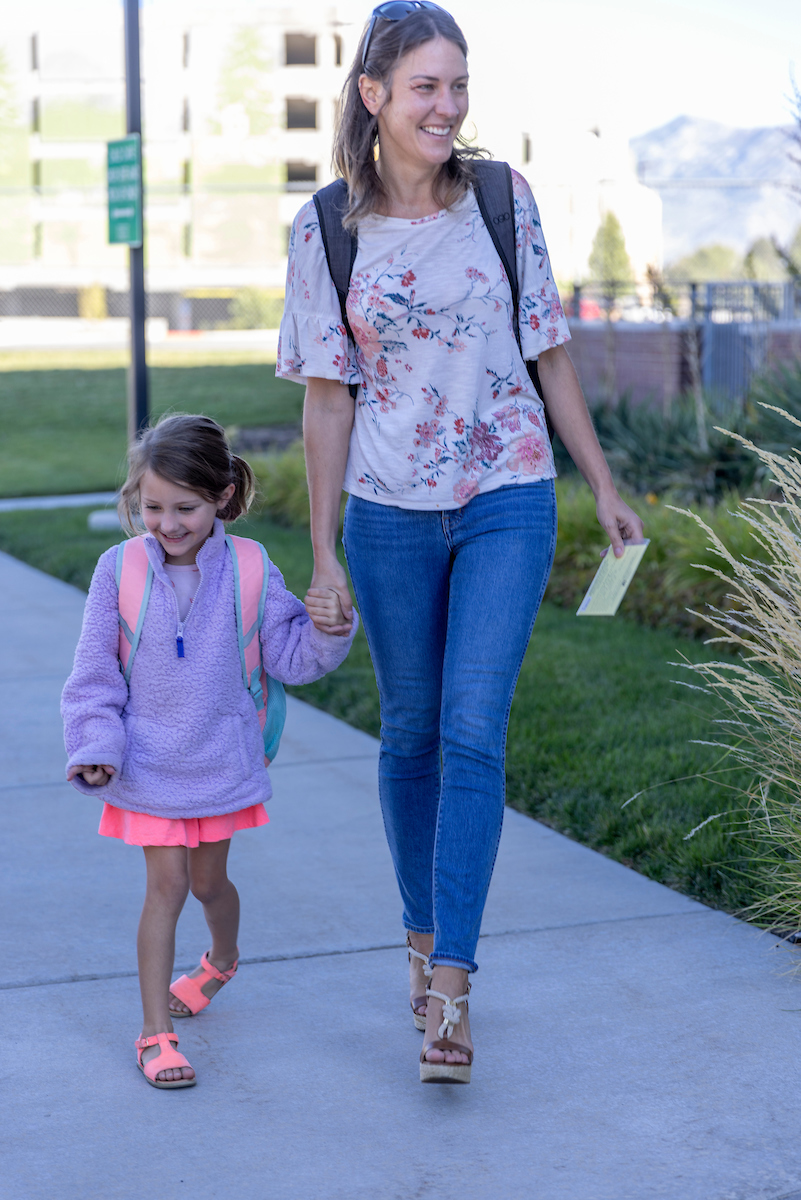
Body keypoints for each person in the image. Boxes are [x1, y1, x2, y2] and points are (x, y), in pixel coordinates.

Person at [277, 2, 643, 1084]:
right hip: (390, 511)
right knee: (413, 736)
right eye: (426, 87)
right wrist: (326, 552)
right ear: (373, 96)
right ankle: (420, 935)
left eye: (458, 85)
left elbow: (550, 350)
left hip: (506, 494)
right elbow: (327, 402)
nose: (448, 106)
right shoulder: (328, 228)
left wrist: (604, 487)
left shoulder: (501, 199)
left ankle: (451, 989)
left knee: (474, 734)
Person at [61, 414, 356, 1090]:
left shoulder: (251, 567)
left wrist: (329, 627)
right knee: (164, 888)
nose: (165, 523)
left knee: (207, 886)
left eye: (184, 508)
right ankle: (153, 1034)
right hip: (145, 764)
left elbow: (289, 656)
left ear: (222, 495)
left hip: (220, 761)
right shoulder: (119, 569)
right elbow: (93, 675)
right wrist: (97, 746)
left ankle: (221, 959)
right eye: (151, 506)